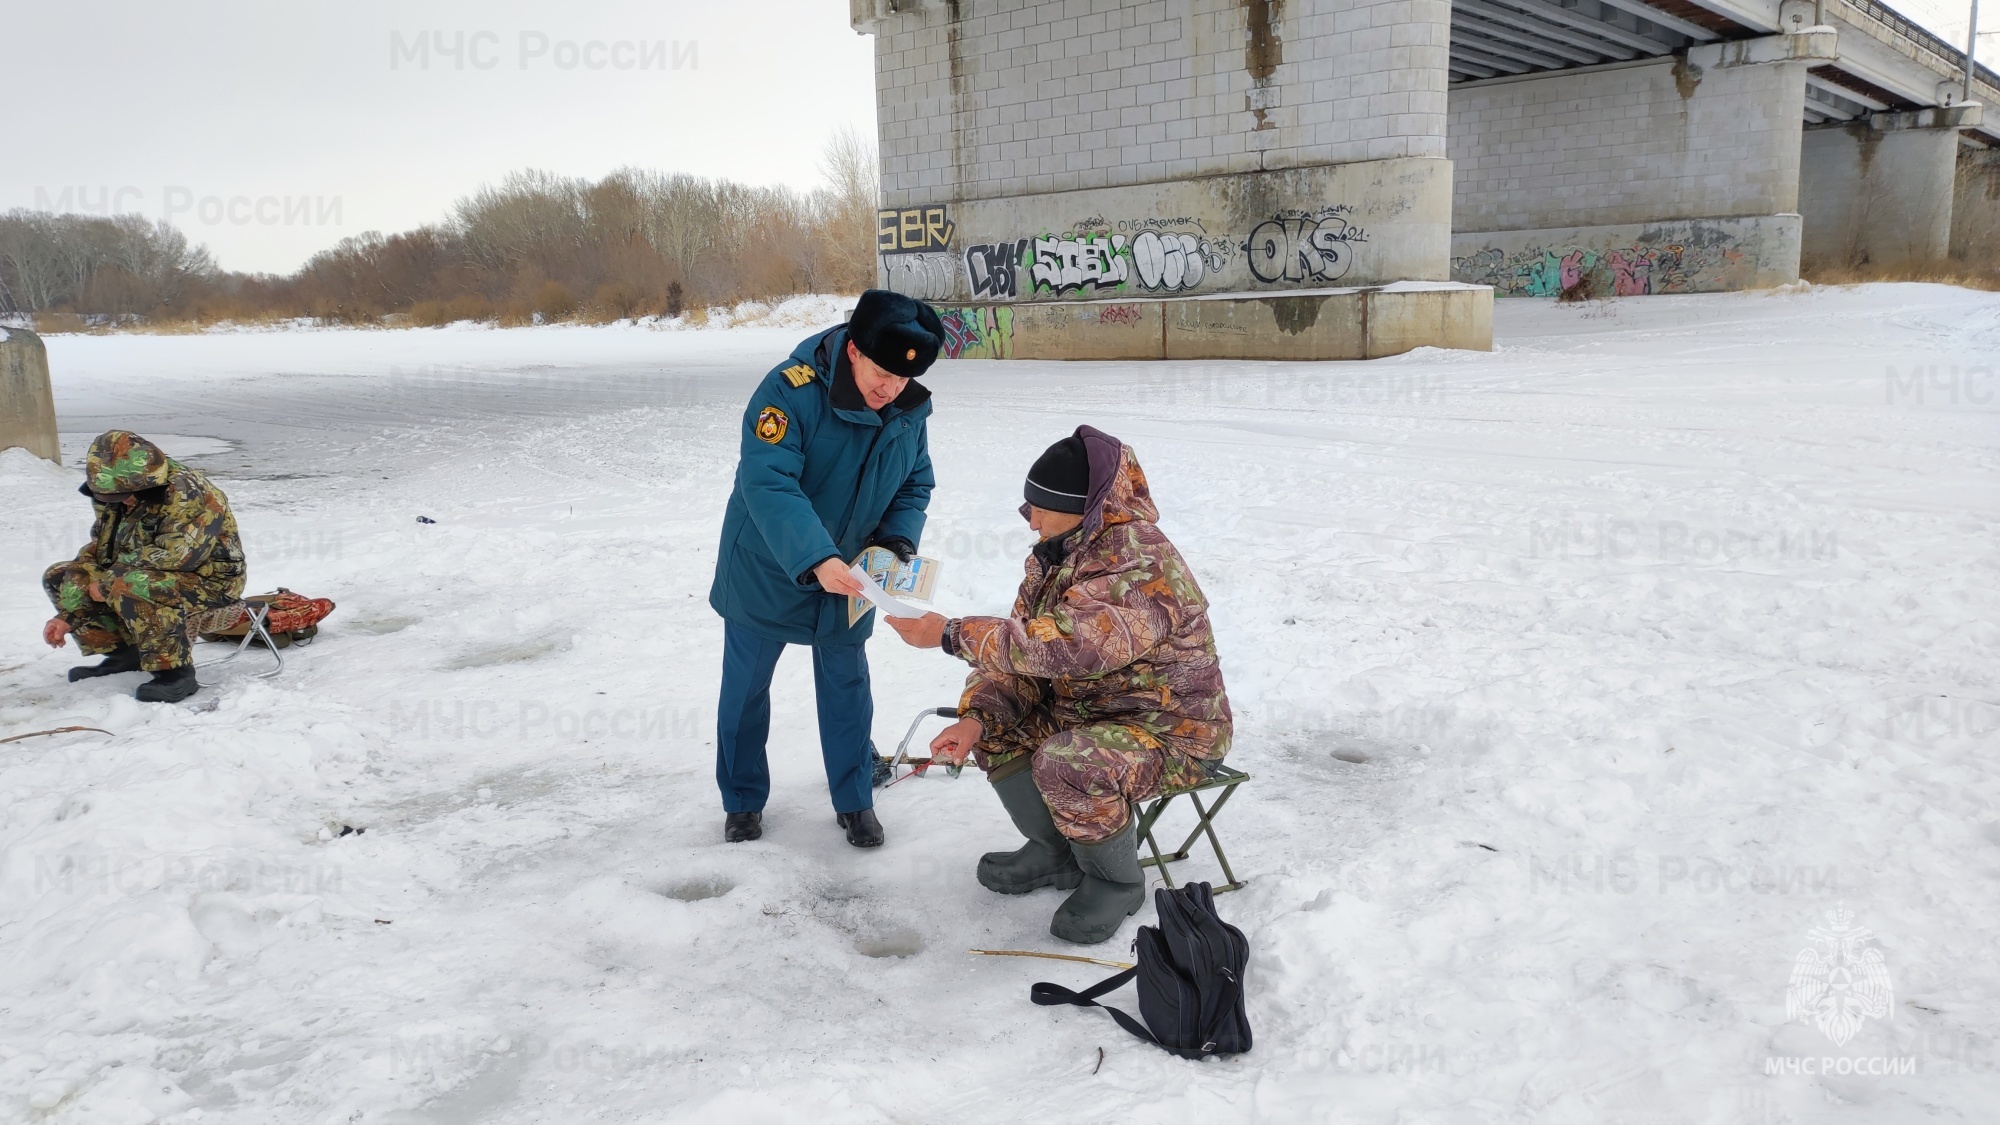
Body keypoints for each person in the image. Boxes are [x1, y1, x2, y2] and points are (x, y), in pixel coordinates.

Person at [886, 426, 1232, 944]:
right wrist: (976, 718)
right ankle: (1056, 853)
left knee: (1067, 760)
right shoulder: (1060, 550)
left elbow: (1068, 648)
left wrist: (951, 633)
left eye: (1042, 509)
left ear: (1086, 507)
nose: (1032, 521)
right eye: (1028, 508)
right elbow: (1026, 656)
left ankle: (1116, 880)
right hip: (1089, 713)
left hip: (1170, 731)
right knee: (998, 726)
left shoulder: (1138, 563)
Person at [708, 289, 943, 847]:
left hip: (854, 574)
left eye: (903, 380)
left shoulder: (908, 410)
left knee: (847, 685)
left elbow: (915, 482)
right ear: (855, 350)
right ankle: (742, 801)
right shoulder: (788, 392)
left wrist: (893, 544)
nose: (891, 390)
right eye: (883, 372)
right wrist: (816, 558)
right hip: (770, 563)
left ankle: (855, 800)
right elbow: (767, 482)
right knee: (745, 692)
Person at [41, 430, 247, 704]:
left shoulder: (189, 493)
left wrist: (106, 582)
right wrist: (70, 613)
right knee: (61, 575)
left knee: (130, 583)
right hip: (141, 570)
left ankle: (175, 674)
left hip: (210, 581)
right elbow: (103, 548)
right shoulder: (113, 494)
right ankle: (124, 655)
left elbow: (177, 557)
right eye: (110, 498)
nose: (119, 502)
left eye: (124, 495)